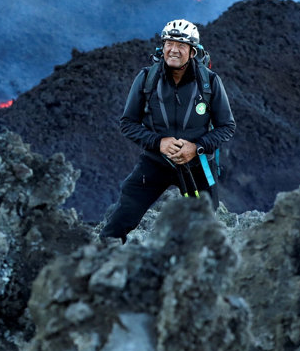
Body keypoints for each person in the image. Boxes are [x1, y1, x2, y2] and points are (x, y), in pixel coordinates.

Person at [101, 19, 235, 240]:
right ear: (162, 47)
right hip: (156, 162)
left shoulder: (209, 82)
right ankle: (103, 260)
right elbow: (128, 123)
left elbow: (227, 126)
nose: (173, 49)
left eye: (181, 45)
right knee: (119, 222)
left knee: (205, 232)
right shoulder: (147, 78)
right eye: (169, 43)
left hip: (198, 165)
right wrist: (158, 143)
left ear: (193, 51)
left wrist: (197, 147)